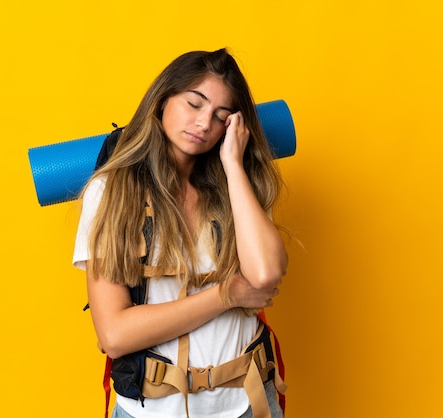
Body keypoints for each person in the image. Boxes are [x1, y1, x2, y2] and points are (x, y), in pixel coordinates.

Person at [73, 48, 287, 418]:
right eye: (194, 103)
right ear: (162, 100)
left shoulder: (238, 189)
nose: (204, 123)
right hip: (150, 411)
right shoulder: (110, 192)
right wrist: (227, 293)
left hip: (247, 403)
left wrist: (234, 166)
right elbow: (114, 335)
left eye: (221, 117)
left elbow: (266, 274)